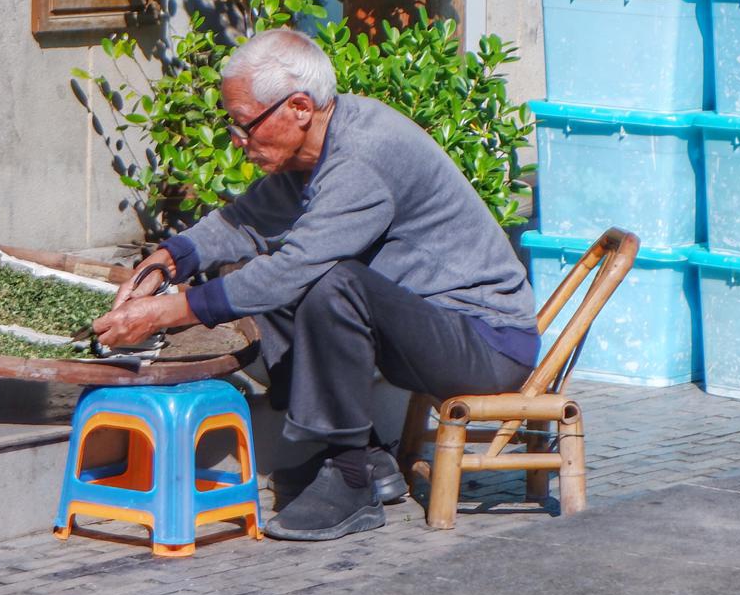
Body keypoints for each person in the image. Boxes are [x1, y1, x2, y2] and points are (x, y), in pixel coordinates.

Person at [92, 27, 539, 541]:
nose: (238, 141)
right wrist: (165, 264)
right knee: (276, 283)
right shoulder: (319, 144)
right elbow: (243, 222)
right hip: (427, 330)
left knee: (329, 282)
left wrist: (166, 312)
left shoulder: (363, 155)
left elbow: (295, 267)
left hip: (485, 344)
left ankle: (349, 484)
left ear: (299, 107)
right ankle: (365, 458)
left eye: (245, 126)